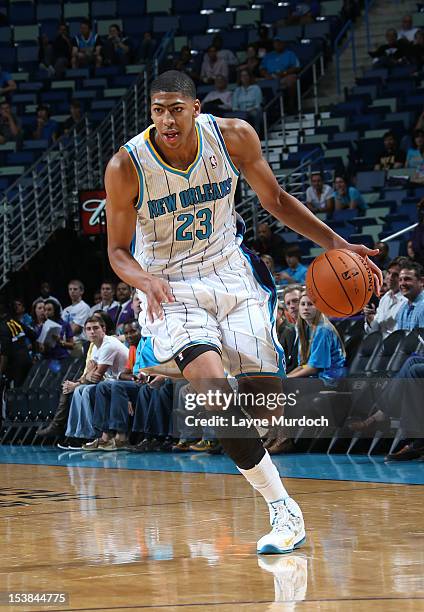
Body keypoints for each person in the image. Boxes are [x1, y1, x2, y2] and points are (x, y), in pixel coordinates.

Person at [104, 70, 382, 555]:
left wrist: (338, 244)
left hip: (231, 272)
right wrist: (144, 280)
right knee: (213, 392)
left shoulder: (232, 136)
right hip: (170, 285)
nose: (166, 119)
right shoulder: (127, 166)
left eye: (175, 108)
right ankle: (283, 508)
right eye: (157, 109)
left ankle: (187, 369)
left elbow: (275, 200)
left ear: (195, 109)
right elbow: (116, 253)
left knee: (263, 401)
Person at [61, 316, 128, 448]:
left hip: (125, 381)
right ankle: (80, 434)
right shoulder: (96, 346)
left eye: (96, 328)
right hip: (112, 382)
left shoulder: (108, 344)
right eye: (88, 329)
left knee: (88, 389)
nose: (92, 332)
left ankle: (95, 434)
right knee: (81, 390)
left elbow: (96, 376)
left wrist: (90, 374)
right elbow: (89, 375)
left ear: (103, 329)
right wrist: (84, 378)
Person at [82, 320, 143, 451]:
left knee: (115, 386)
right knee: (102, 387)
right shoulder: (132, 348)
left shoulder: (147, 345)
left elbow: (96, 376)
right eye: (126, 333)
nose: (129, 336)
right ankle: (105, 437)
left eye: (133, 331)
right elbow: (125, 373)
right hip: (131, 382)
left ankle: (121, 437)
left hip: (145, 384)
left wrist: (125, 379)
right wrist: (125, 377)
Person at [363, 257, 408, 338]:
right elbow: (373, 331)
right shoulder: (385, 298)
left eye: (395, 275)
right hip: (380, 345)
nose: (390, 277)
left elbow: (403, 335)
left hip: (396, 346)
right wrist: (370, 318)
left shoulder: (407, 300)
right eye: (389, 273)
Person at [260, 37, 300, 112]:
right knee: (257, 83)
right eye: (276, 43)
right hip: (270, 78)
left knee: (292, 79)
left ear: (283, 44)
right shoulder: (269, 55)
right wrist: (266, 75)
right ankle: (267, 108)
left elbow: (297, 67)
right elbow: (262, 68)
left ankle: (291, 104)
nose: (278, 44)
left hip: (284, 76)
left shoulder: (289, 54)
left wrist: (285, 72)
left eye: (279, 43)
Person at [0, 298, 32, 388]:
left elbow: (5, 353)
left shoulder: (3, 326)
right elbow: (33, 335)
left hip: (16, 365)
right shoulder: (14, 321)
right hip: (26, 359)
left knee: (18, 392)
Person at [395, 261, 424, 330]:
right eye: (400, 280)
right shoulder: (403, 307)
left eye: (407, 279)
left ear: (422, 281)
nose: (402, 283)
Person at [232, 70, 263, 134]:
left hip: (253, 110)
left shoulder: (256, 88)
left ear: (250, 77)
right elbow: (234, 106)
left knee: (256, 113)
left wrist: (249, 111)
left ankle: (256, 135)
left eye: (246, 75)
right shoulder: (237, 90)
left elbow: (258, 104)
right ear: (240, 78)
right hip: (241, 112)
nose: (244, 77)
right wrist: (241, 112)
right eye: (242, 76)